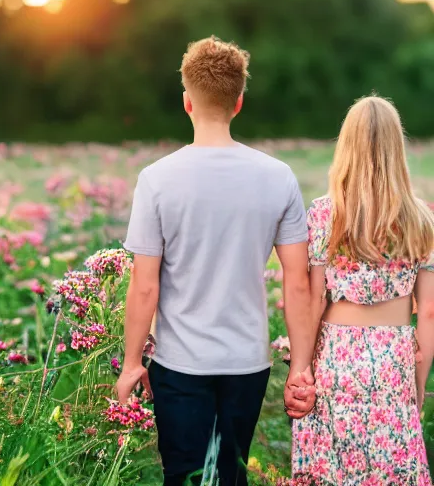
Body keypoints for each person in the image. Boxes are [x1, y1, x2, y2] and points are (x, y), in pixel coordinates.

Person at [115, 36, 316, 486]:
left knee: (183, 477)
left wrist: (132, 363)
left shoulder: (157, 180)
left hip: (179, 363)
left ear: (187, 101)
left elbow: (145, 286)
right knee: (231, 476)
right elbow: (297, 282)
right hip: (247, 363)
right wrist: (300, 366)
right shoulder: (278, 176)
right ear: (238, 103)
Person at [292, 95, 434, 485]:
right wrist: (417, 387)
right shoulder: (422, 218)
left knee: (336, 467)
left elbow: (314, 299)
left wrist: (302, 369)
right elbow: (430, 311)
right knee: (392, 468)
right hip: (394, 356)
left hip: (337, 355)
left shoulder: (325, 212)